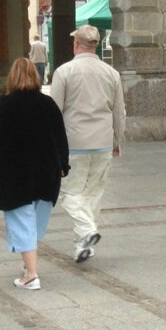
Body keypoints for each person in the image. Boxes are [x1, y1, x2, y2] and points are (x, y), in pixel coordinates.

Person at [0, 58, 69, 290]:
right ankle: (27, 265)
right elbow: (61, 137)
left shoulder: (7, 105)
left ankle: (31, 276)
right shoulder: (48, 103)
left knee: (22, 223)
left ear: (11, 78)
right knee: (34, 224)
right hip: (46, 174)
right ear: (36, 76)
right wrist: (64, 164)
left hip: (15, 176)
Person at [50, 25, 126, 263]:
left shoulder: (64, 72)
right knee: (93, 194)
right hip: (102, 141)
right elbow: (119, 112)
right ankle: (83, 244)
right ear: (95, 45)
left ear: (76, 44)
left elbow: (54, 112)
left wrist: (52, 144)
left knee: (70, 193)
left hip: (74, 141)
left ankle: (86, 232)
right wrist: (117, 140)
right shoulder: (111, 73)